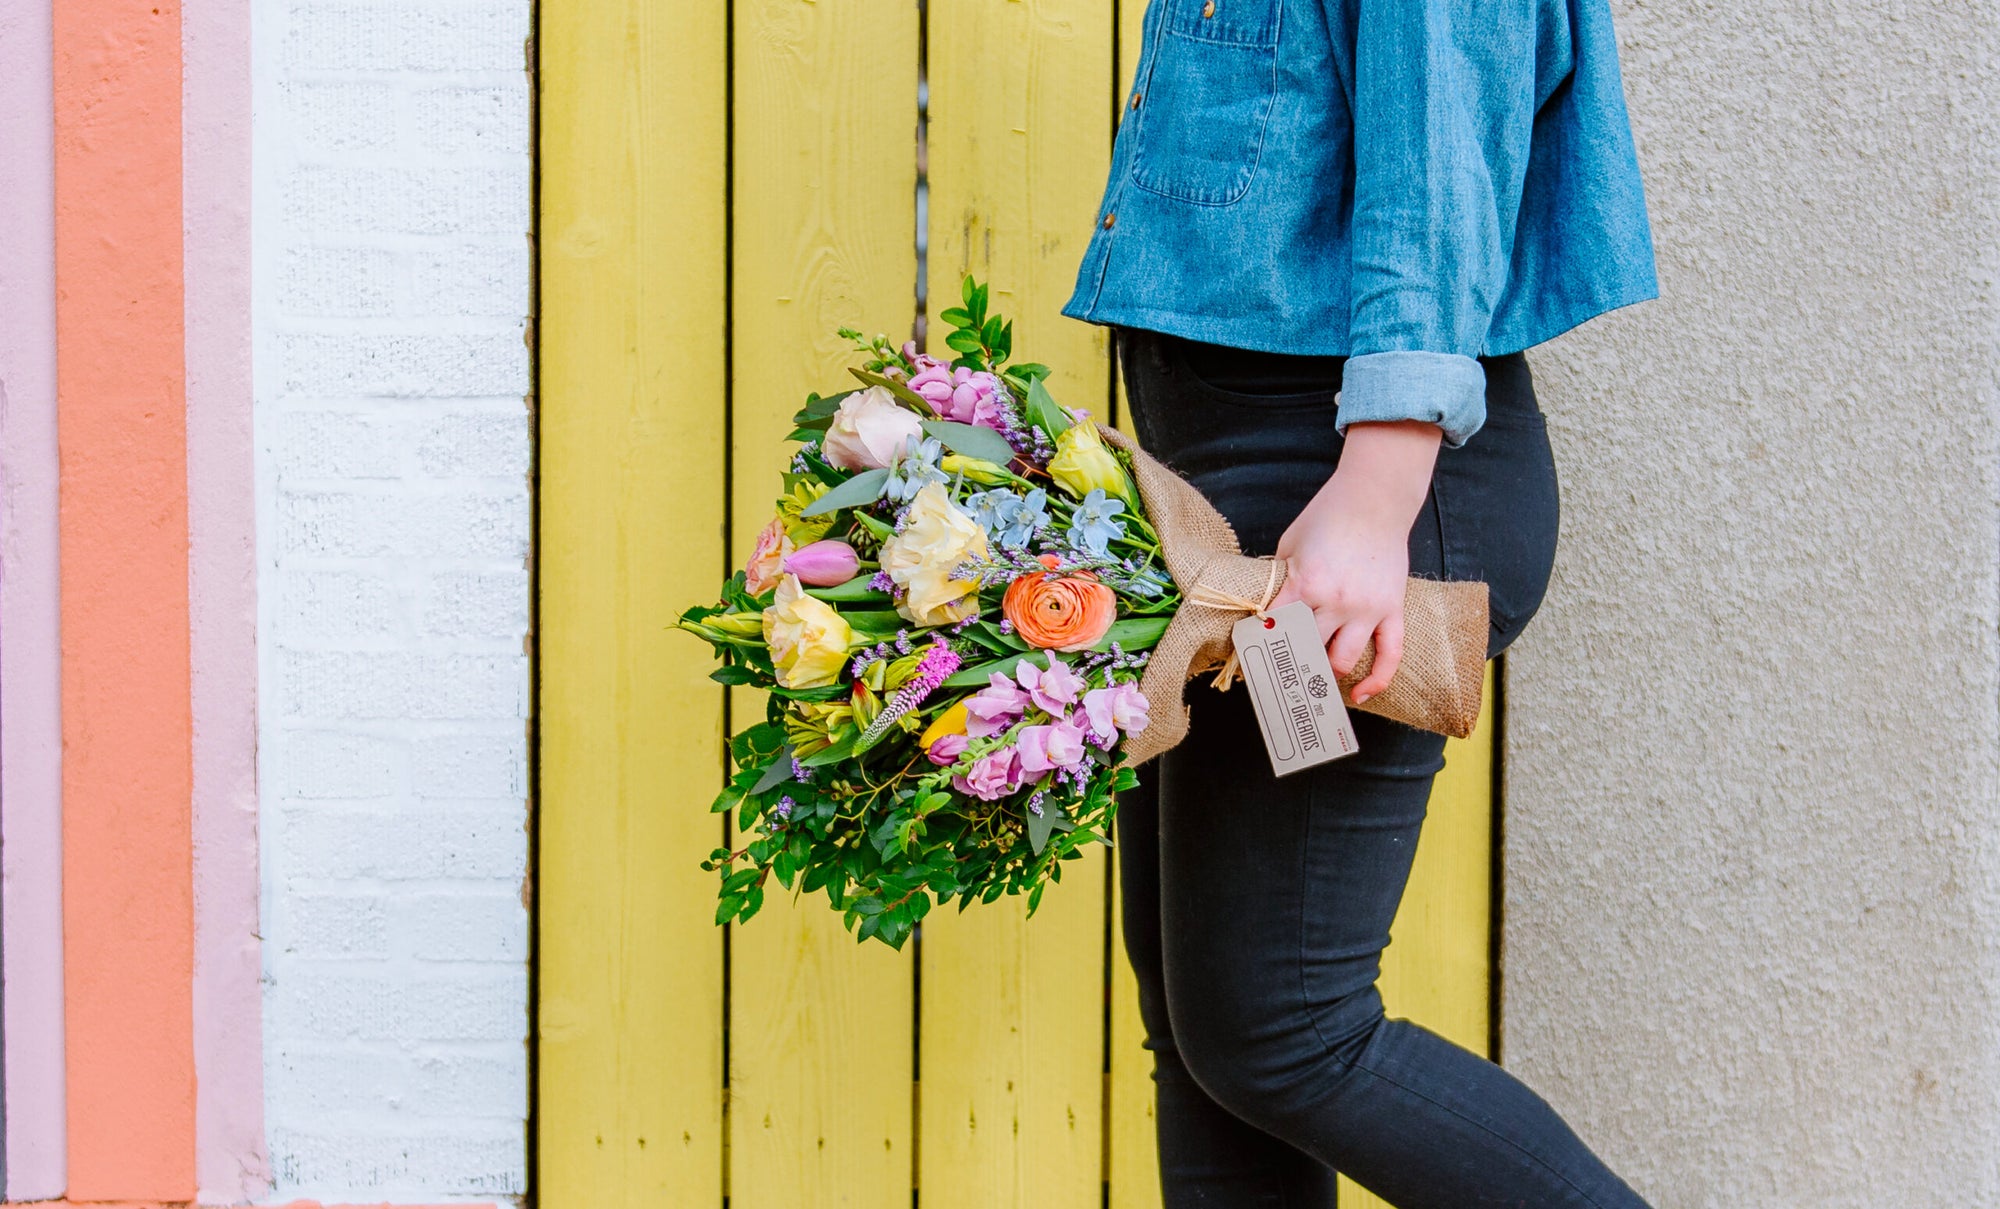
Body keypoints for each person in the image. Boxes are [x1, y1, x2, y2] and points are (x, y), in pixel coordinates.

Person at [1060, 0, 1659, 1205]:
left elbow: (1443, 157)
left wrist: (1377, 492)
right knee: (1206, 1032)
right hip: (1235, 480)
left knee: (1282, 1030)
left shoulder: (1361, 495)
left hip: (1334, 492)